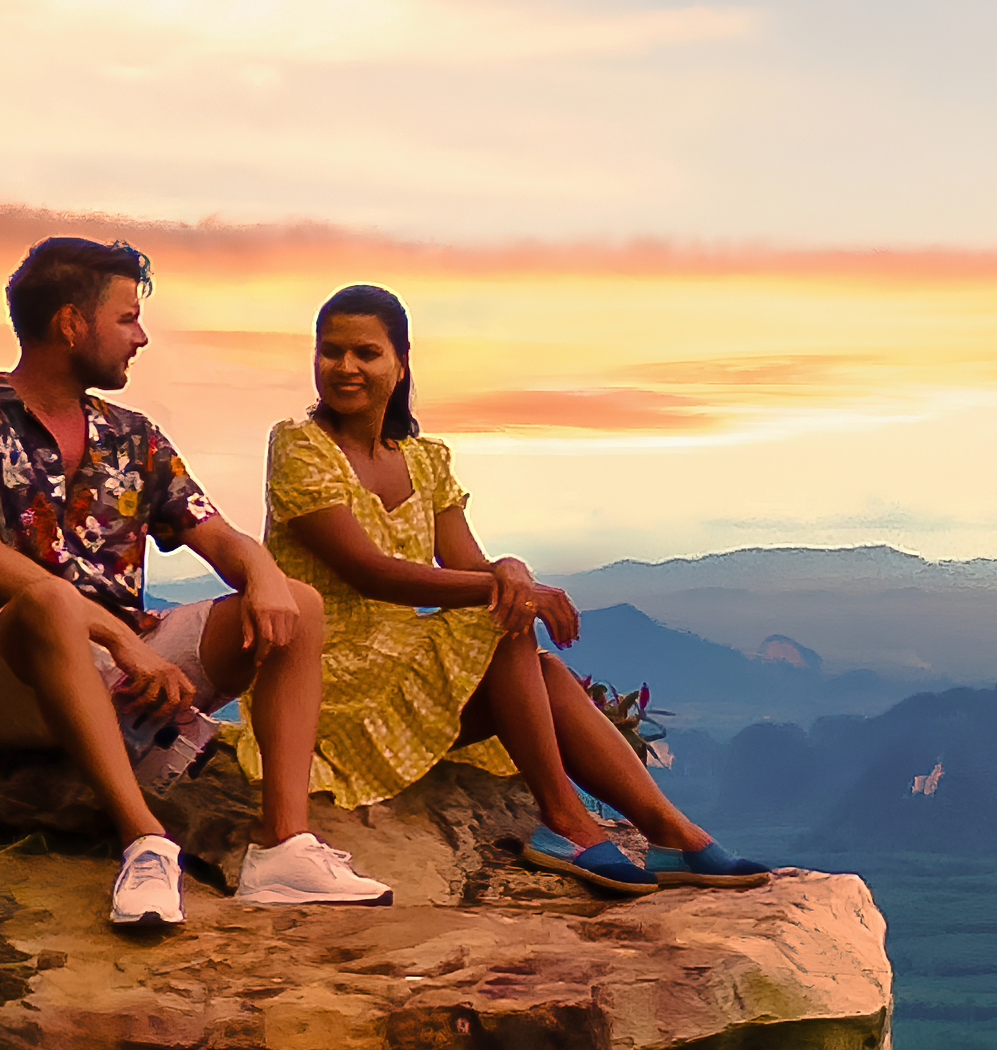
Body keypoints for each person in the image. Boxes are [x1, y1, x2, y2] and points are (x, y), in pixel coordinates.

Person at [0, 237, 380, 930]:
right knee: (47, 602)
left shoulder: (132, 436)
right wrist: (120, 641)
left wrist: (264, 574)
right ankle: (144, 841)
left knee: (298, 606)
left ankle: (284, 848)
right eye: (127, 318)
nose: (141, 336)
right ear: (72, 323)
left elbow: (219, 537)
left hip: (123, 659)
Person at [264, 285, 749, 884]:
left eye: (365, 353)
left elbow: (469, 564)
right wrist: (509, 589)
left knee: (529, 652)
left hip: (398, 675)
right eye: (330, 351)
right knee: (500, 616)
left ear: (401, 361)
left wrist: (511, 570)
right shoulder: (300, 448)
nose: (345, 368)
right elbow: (370, 571)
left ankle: (670, 832)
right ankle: (566, 819)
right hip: (326, 681)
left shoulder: (423, 460)